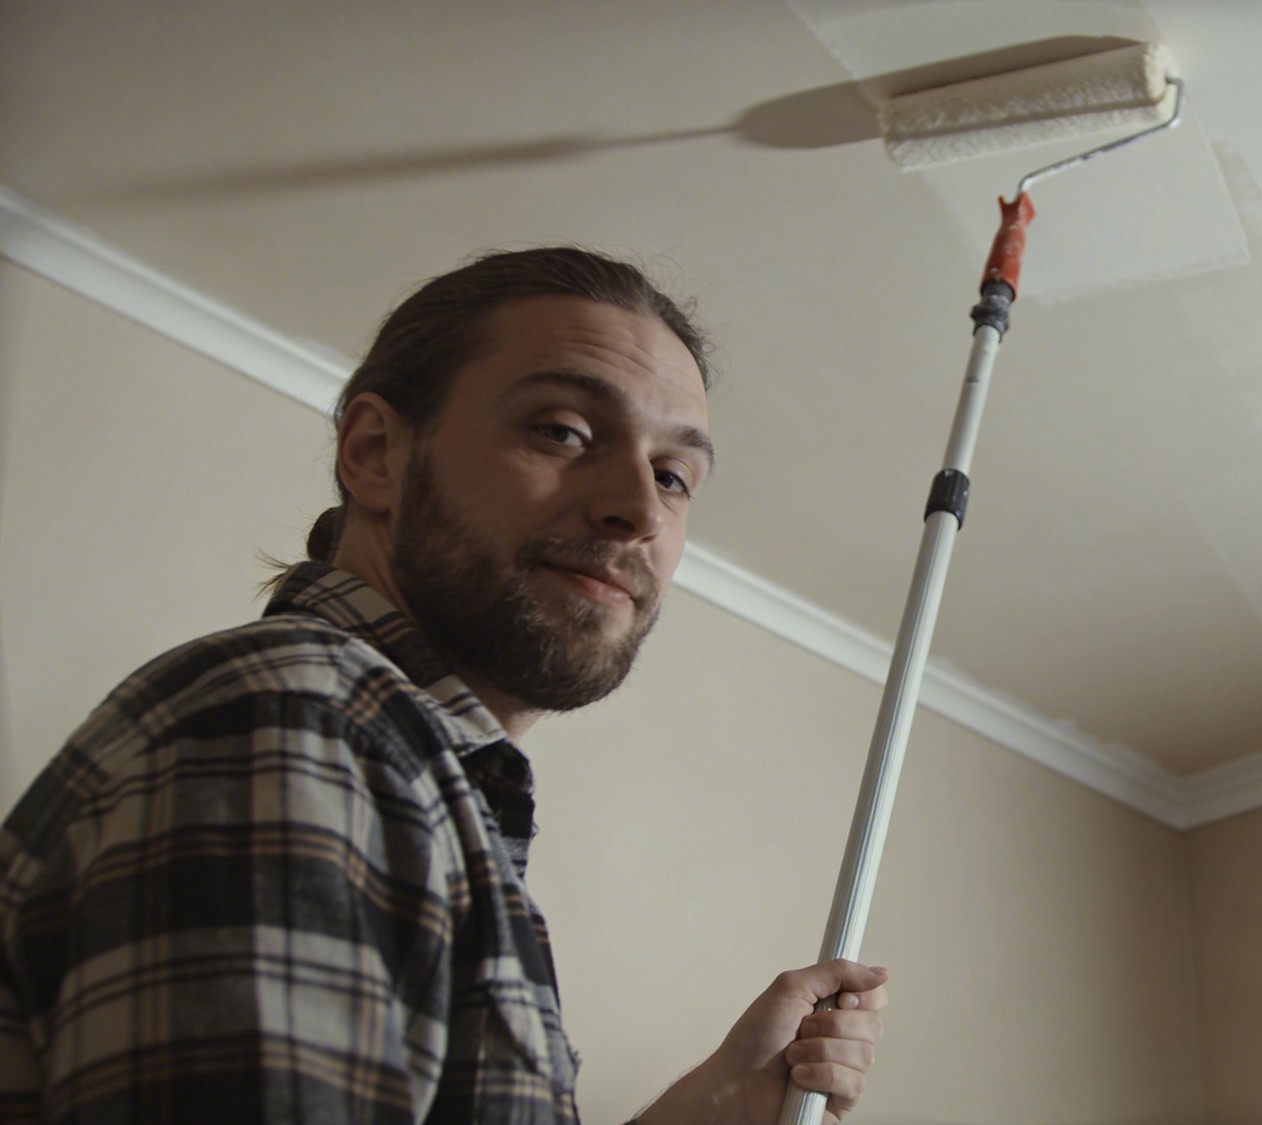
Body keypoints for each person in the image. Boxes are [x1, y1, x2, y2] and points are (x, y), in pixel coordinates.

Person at [0, 247, 887, 1123]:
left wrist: (712, 1111)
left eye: (672, 475)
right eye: (564, 431)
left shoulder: (404, 773)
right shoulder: (305, 718)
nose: (641, 508)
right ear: (377, 452)